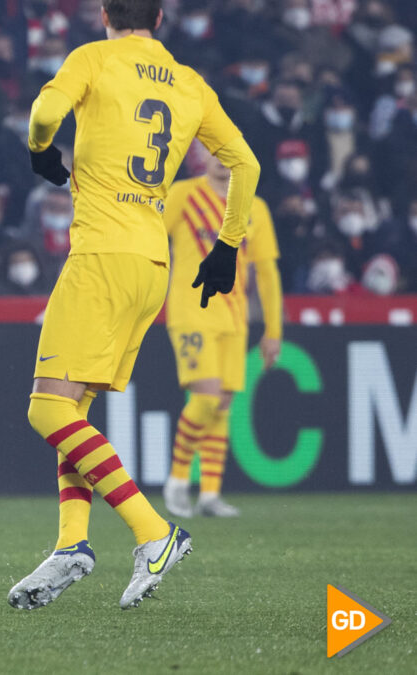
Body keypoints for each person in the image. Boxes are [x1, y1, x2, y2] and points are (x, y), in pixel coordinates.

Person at [7, 0, 260, 611]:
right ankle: (73, 544)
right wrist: (227, 246)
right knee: (73, 407)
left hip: (100, 257)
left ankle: (155, 533)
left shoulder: (94, 58)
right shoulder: (189, 82)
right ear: (161, 20)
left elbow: (44, 112)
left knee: (46, 410)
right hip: (152, 263)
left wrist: (42, 152)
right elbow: (244, 164)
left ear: (103, 14)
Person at [162, 154, 282, 520]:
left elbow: (266, 272)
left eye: (229, 155)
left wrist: (273, 330)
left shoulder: (255, 207)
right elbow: (152, 237)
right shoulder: (183, 194)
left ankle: (210, 494)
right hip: (190, 310)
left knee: (223, 403)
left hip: (235, 318)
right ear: (202, 159)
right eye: (214, 153)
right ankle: (178, 481)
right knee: (206, 397)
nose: (221, 161)